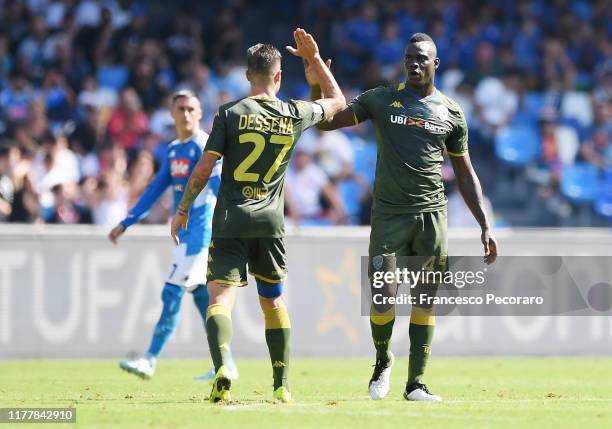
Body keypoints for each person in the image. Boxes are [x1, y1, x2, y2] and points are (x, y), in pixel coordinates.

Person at [307, 33, 498, 402]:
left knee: (425, 299)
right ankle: (383, 360)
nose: (414, 63)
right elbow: (327, 124)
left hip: (431, 216)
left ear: (435, 64)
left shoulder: (451, 112)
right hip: (390, 215)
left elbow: (464, 172)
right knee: (382, 295)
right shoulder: (382, 99)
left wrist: (484, 223)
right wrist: (317, 86)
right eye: (409, 57)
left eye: (422, 58)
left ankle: (416, 384)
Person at [170, 28, 345, 403]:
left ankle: (222, 367)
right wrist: (313, 60)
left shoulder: (229, 114)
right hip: (271, 224)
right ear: (279, 76)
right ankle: (281, 385)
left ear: (248, 75)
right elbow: (337, 101)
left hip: (232, 220)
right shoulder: (293, 112)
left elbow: (202, 170)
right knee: (274, 302)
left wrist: (182, 208)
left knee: (219, 300)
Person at [108, 90, 237, 381]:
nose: (186, 114)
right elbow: (155, 188)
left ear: (201, 113)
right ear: (172, 113)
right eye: (181, 109)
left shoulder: (205, 145)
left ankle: (150, 360)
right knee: (202, 298)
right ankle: (226, 362)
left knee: (171, 293)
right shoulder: (173, 149)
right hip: (184, 235)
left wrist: (233, 224)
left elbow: (220, 187)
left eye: (192, 109)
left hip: (202, 234)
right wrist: (127, 221)